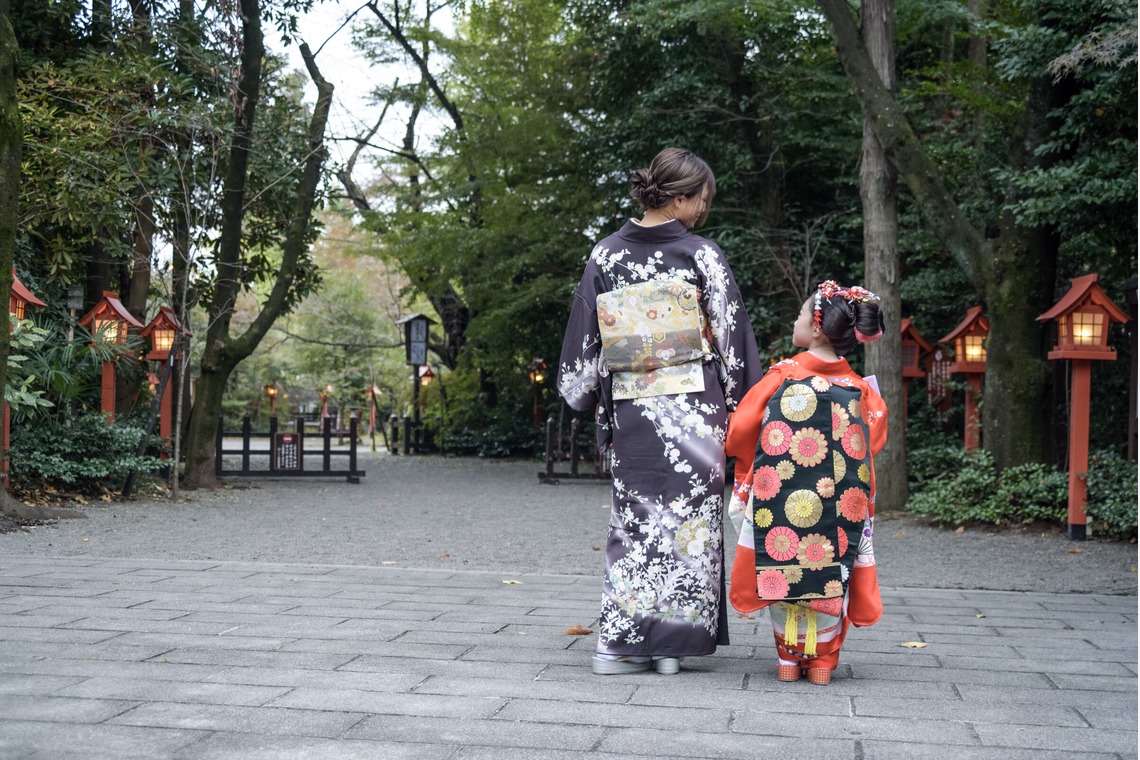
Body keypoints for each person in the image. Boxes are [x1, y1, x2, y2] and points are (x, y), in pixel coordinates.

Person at [557, 147, 764, 676]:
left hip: (634, 411)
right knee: (691, 522)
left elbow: (582, 353)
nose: (702, 210)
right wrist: (748, 411)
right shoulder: (702, 256)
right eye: (700, 199)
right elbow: (734, 341)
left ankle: (622, 644)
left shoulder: (605, 255)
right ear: (678, 197)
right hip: (697, 412)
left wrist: (583, 394)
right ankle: (671, 646)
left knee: (636, 522)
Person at [725, 280, 888, 685]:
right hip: (843, 502)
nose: (795, 321)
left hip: (780, 496)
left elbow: (741, 429)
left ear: (816, 328)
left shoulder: (782, 376)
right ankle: (823, 663)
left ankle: (787, 658)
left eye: (800, 315)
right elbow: (876, 438)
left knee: (782, 564)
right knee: (834, 569)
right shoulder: (860, 388)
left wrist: (750, 467)